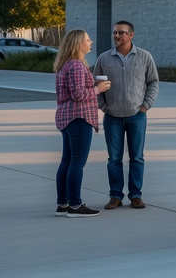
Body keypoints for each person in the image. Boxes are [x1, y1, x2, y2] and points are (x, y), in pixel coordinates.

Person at [92, 19, 160, 210]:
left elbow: (153, 82)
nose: (117, 36)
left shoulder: (145, 57)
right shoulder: (103, 59)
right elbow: (96, 85)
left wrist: (146, 104)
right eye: (115, 33)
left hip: (137, 115)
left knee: (137, 157)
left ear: (131, 35)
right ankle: (115, 196)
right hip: (112, 116)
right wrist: (103, 106)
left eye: (121, 32)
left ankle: (136, 196)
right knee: (114, 158)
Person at [54, 28, 111, 218]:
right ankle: (76, 206)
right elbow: (79, 95)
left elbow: (73, 91)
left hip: (67, 118)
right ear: (78, 43)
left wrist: (91, 84)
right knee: (77, 162)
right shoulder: (77, 66)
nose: (91, 42)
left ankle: (63, 204)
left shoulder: (66, 65)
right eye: (87, 39)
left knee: (67, 161)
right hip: (79, 118)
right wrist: (98, 89)